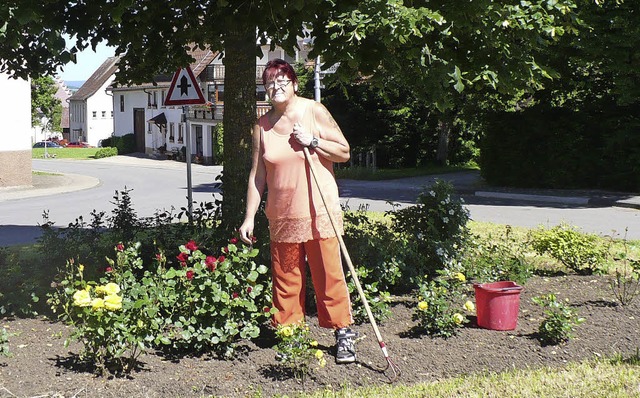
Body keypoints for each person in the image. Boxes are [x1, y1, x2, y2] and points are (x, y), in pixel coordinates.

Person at [238, 58, 357, 364]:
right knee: (286, 280)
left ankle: (343, 333)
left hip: (320, 214)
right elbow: (257, 176)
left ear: (294, 83)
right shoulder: (262, 127)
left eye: (281, 81)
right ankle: (291, 337)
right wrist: (249, 216)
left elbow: (343, 151)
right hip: (282, 216)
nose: (275, 87)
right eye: (269, 83)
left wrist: (314, 141)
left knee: (329, 276)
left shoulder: (313, 111)